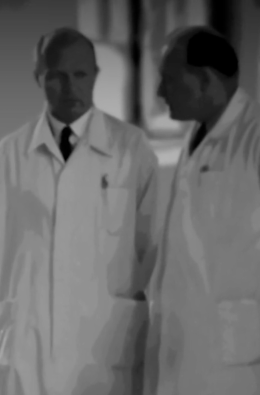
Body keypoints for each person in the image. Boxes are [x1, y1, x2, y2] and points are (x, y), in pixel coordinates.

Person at [143, 26, 260, 395]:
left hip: (240, 351)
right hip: (186, 343)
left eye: (169, 79)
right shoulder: (196, 136)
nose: (160, 92)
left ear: (205, 79)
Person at [0, 27, 159, 395]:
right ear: (38, 77)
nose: (70, 87)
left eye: (81, 74)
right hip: (28, 347)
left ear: (96, 75)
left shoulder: (132, 149)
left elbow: (154, 250)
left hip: (106, 347)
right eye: (57, 75)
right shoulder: (8, 156)